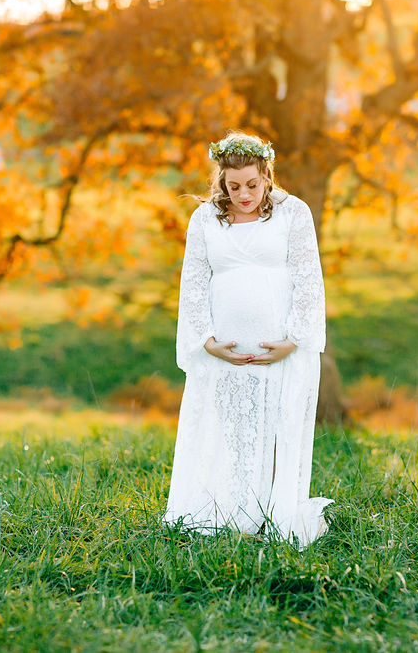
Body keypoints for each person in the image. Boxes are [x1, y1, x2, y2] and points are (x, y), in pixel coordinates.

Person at [161, 131, 333, 550]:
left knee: (278, 428)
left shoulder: (294, 214)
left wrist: (293, 339)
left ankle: (272, 513)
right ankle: (236, 512)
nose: (244, 194)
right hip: (227, 352)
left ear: (267, 175)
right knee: (233, 432)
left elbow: (309, 278)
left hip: (280, 349)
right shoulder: (205, 220)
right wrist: (206, 340)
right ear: (221, 179)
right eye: (233, 186)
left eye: (252, 185)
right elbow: (194, 283)